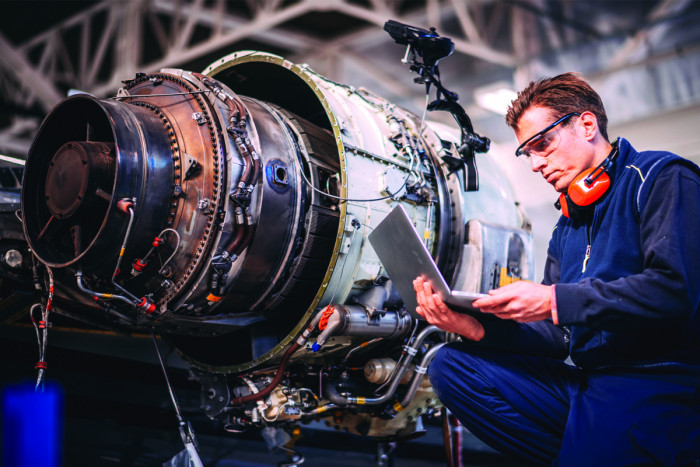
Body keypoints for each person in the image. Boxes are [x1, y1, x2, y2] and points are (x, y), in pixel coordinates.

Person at [414, 72, 700, 466]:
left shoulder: (662, 178)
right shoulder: (568, 221)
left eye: (542, 144)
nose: (535, 164)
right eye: (526, 153)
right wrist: (475, 328)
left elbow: (672, 292)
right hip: (590, 384)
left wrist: (552, 298)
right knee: (452, 366)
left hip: (659, 380)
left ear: (586, 124)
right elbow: (559, 337)